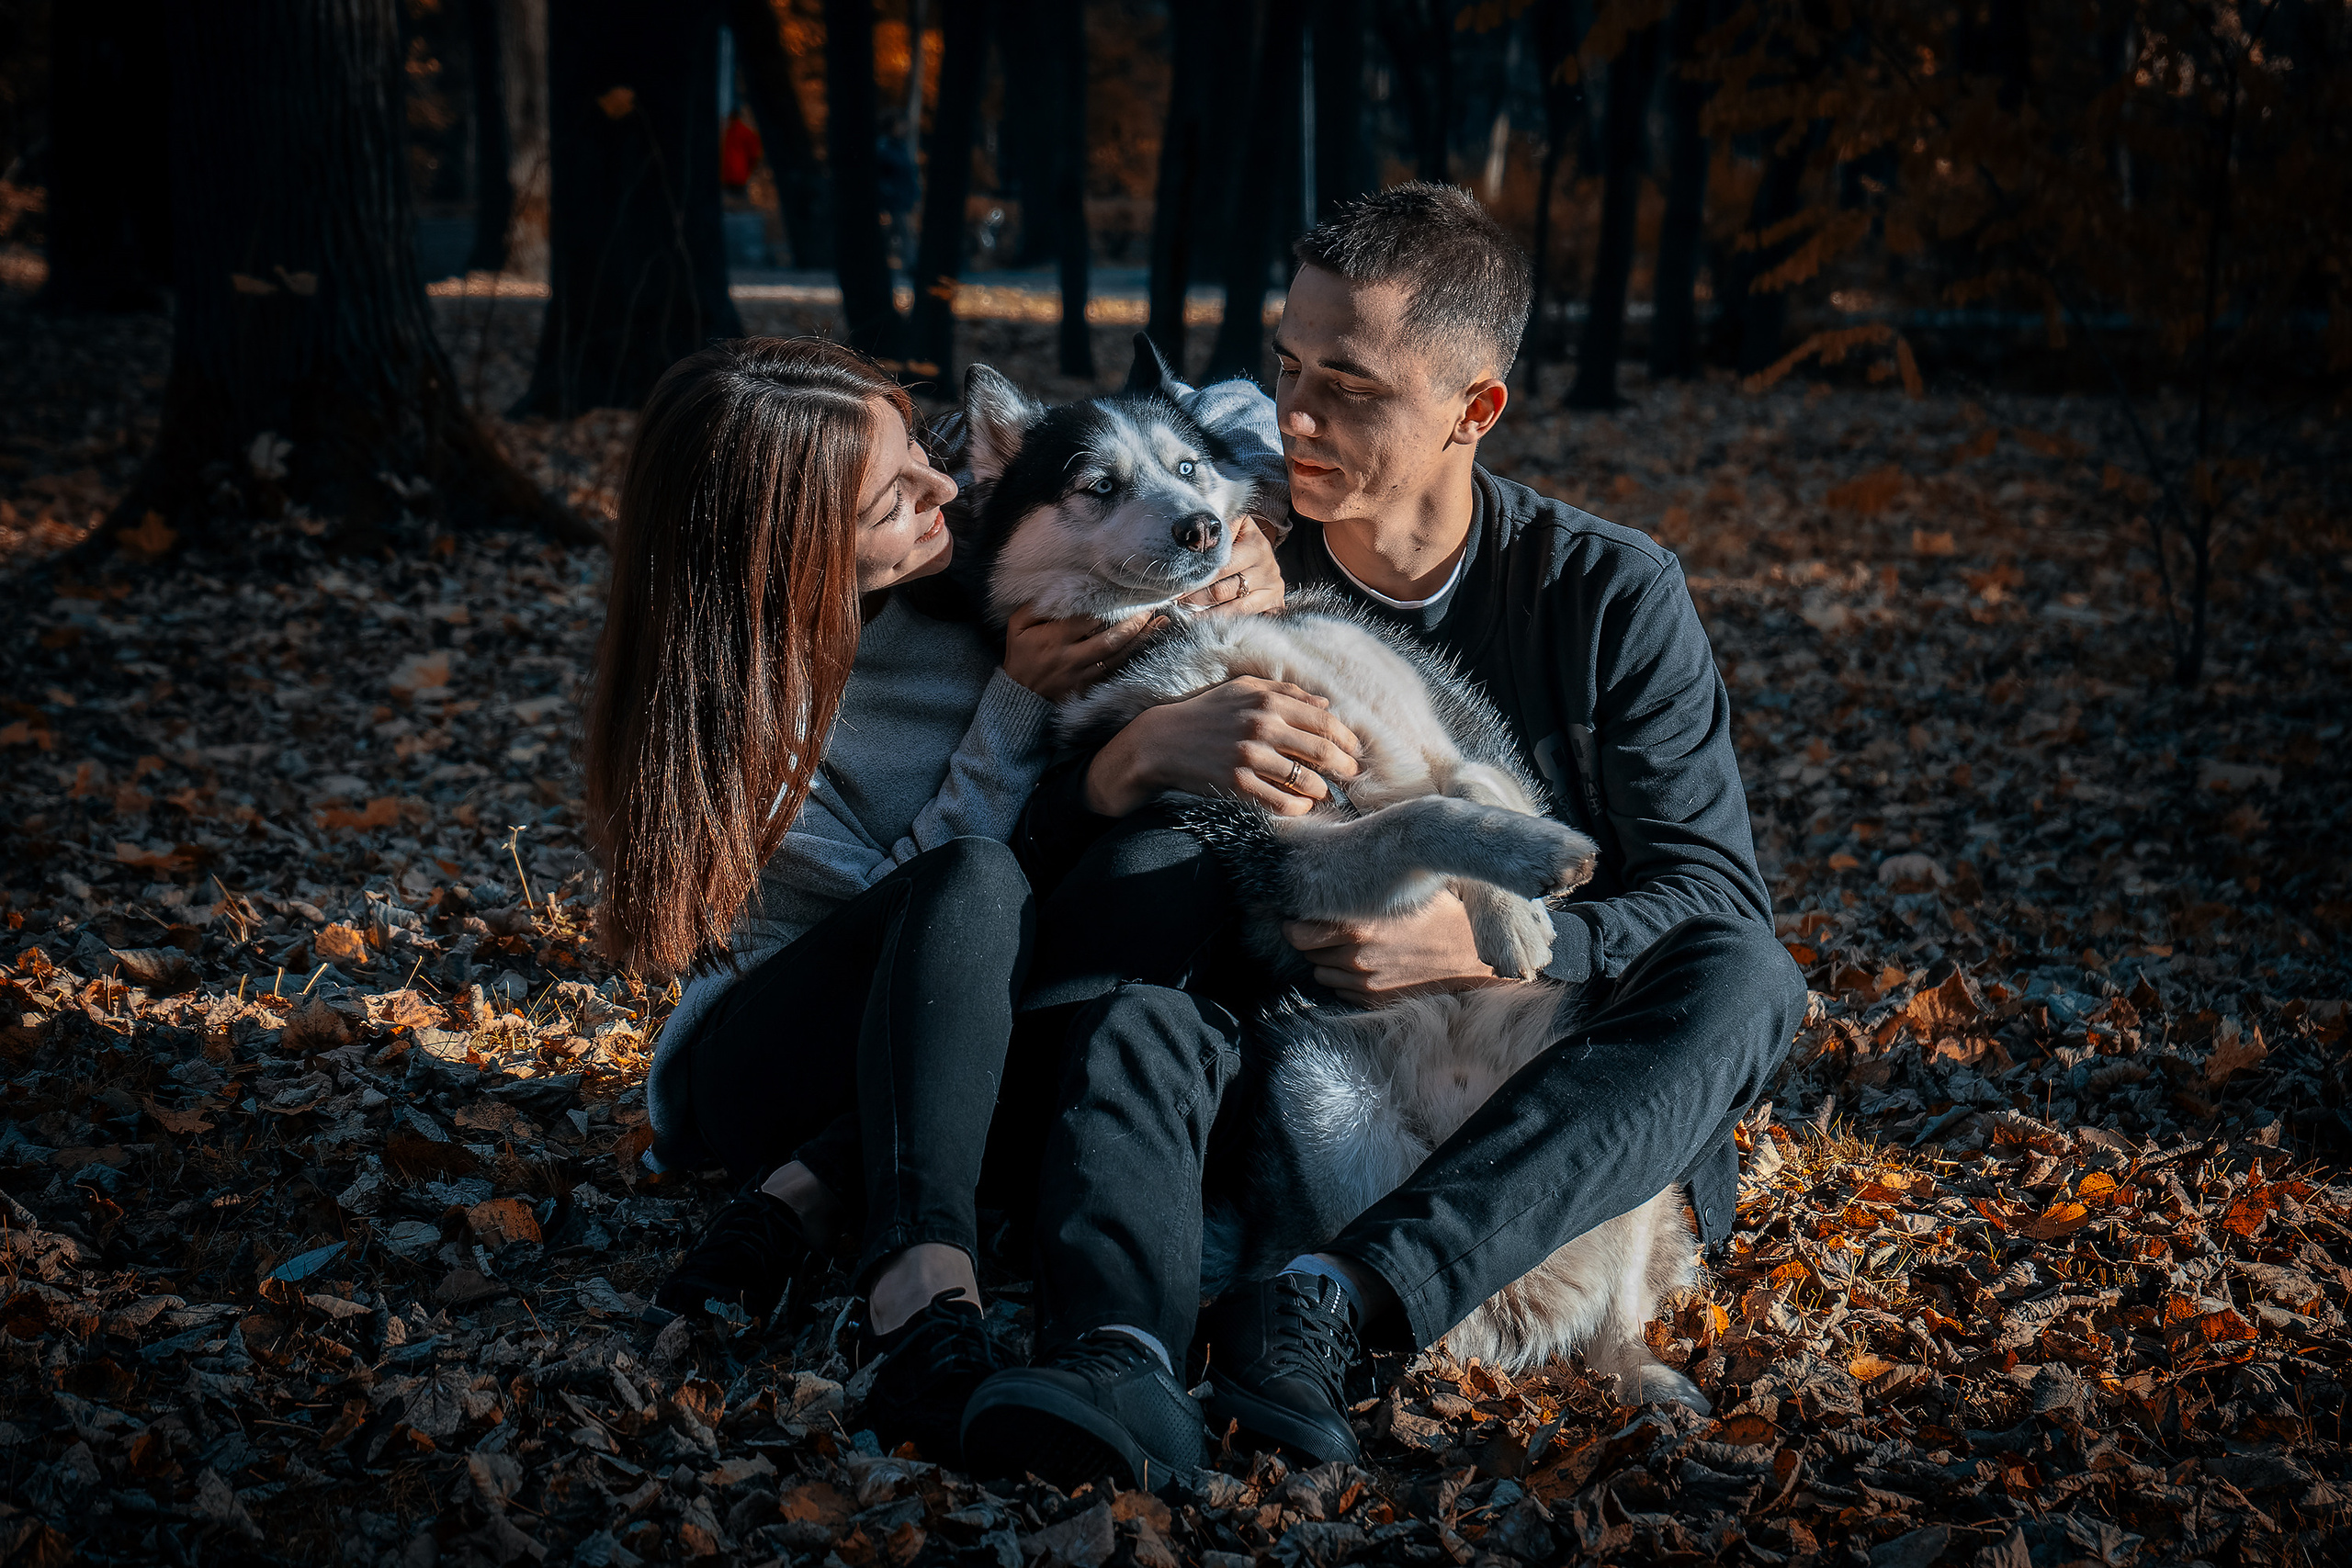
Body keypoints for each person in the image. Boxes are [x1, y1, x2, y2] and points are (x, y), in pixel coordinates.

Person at [959, 185, 1806, 1488]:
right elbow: (1063, 894)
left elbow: (1708, 895)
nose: (1293, 417)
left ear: (1475, 409)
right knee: (1147, 969)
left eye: (1349, 387)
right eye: (1285, 367)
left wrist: (1473, 945)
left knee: (1749, 979)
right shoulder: (1203, 557)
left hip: (1558, 1089)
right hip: (1305, 1065)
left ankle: (1347, 1301)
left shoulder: (1606, 593)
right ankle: (1123, 1344)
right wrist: (1116, 757)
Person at [581, 337, 1278, 1462]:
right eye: (896, 496)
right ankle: (919, 1287)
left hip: (947, 1033)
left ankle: (817, 1191)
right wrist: (1010, 706)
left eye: (919, 450)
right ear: (795, 550)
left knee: (1164, 862)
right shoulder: (740, 712)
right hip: (770, 1059)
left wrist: (1243, 542)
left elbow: (1210, 409)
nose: (946, 486)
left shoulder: (948, 549)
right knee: (975, 879)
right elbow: (932, 915)